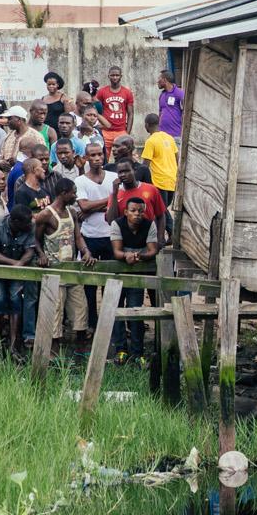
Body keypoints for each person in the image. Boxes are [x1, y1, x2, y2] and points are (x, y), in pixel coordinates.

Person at [109, 194, 161, 360]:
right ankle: (121, 350)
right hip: (118, 273)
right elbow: (116, 251)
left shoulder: (149, 224)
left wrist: (142, 256)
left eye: (140, 211)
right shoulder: (117, 224)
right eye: (133, 211)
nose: (137, 214)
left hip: (138, 272)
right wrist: (126, 255)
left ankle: (138, 352)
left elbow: (153, 249)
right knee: (116, 310)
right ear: (126, 212)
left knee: (135, 310)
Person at [0, 200, 40, 355]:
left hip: (18, 267)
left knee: (15, 299)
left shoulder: (30, 225)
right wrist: (14, 263)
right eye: (27, 222)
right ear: (15, 222)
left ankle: (14, 344)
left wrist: (20, 264)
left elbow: (30, 249)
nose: (31, 224)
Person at [139, 111, 178, 208]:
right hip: (172, 180)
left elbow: (145, 166)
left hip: (159, 182)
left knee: (160, 212)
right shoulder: (170, 138)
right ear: (158, 123)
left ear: (146, 125)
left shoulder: (151, 141)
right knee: (164, 209)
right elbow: (177, 158)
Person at [97, 67, 135, 153]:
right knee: (103, 159)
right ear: (108, 76)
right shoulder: (102, 92)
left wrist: (127, 133)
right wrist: (99, 125)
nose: (115, 77)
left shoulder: (127, 92)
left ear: (121, 76)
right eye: (112, 75)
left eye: (117, 75)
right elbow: (96, 110)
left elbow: (131, 114)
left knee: (123, 158)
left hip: (121, 131)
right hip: (106, 132)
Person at [156, 67, 186, 139]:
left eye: (159, 79)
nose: (157, 81)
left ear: (165, 80)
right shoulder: (162, 95)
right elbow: (160, 113)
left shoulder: (179, 93)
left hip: (175, 135)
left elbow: (185, 112)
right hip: (162, 135)